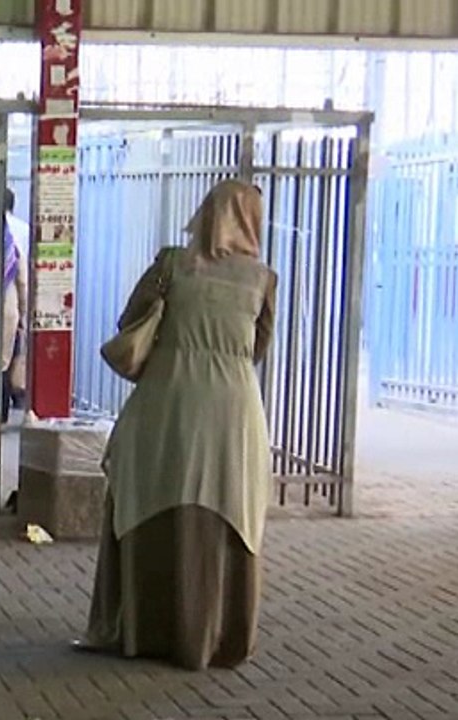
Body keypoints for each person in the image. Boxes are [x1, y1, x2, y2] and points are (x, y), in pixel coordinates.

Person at [78, 180, 277, 671]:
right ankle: (216, 637)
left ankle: (142, 630)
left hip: (166, 404)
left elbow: (130, 321)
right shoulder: (262, 280)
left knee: (149, 504)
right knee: (228, 512)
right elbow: (258, 348)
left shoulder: (170, 264)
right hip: (232, 413)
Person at [1, 189, 30, 423]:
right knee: (9, 368)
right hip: (11, 311)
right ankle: (8, 421)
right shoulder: (22, 230)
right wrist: (25, 316)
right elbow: (22, 277)